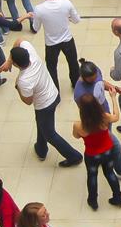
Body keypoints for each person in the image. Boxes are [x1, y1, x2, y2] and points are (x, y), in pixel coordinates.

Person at [9, 39, 83, 167]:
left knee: (50, 133)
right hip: (53, 94)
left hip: (44, 105)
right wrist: (8, 61)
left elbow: (28, 101)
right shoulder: (32, 54)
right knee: (42, 123)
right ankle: (41, 149)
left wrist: (17, 87)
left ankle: (74, 156)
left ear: (15, 64)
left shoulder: (24, 80)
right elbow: (19, 40)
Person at [73, 58, 121, 183]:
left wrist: (115, 88)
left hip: (104, 115)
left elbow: (101, 83)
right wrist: (103, 118)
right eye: (91, 79)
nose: (94, 79)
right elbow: (86, 114)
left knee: (107, 143)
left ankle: (105, 157)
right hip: (98, 121)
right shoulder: (80, 94)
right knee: (116, 146)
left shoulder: (95, 71)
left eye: (95, 76)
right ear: (83, 77)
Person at [72, 91, 121, 210]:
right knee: (110, 173)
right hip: (108, 151)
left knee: (92, 176)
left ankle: (93, 201)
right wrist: (113, 98)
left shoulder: (79, 125)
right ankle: (118, 197)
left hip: (92, 155)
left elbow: (76, 136)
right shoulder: (104, 118)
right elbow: (116, 117)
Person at [32, 0, 81, 93]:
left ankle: (55, 91)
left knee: (52, 67)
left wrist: (33, 17)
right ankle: (76, 84)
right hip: (67, 40)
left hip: (51, 44)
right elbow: (76, 20)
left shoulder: (39, 9)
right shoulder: (66, 3)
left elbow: (35, 28)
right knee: (73, 63)